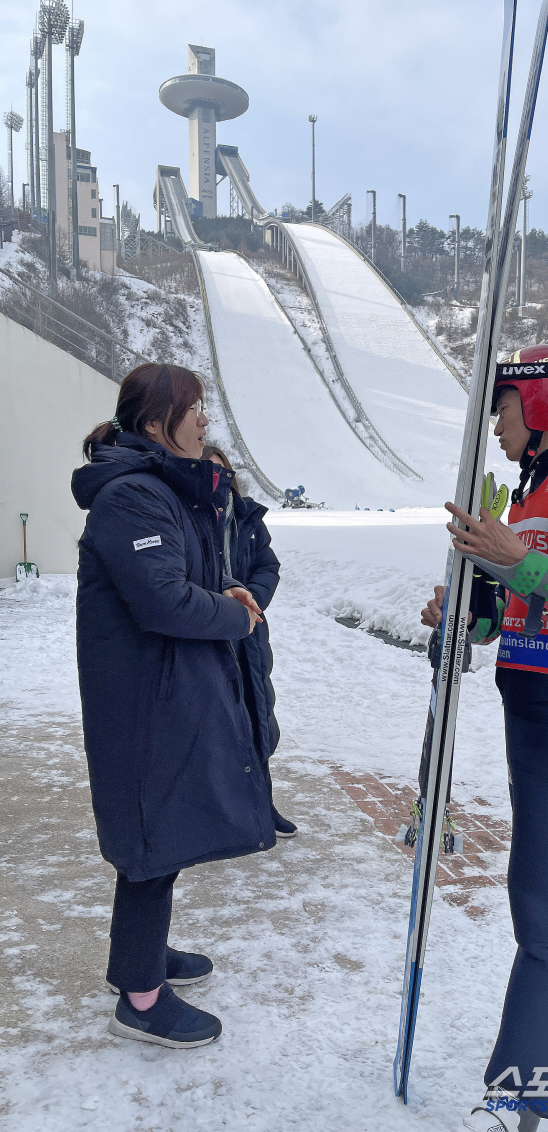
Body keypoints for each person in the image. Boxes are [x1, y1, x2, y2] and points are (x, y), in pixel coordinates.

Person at [420, 346, 548, 1131]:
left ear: (544, 407)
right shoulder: (524, 498)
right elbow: (500, 618)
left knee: (536, 896)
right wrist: (461, 610)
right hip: (531, 709)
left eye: (505, 409)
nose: (498, 426)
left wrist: (521, 563)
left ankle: (520, 1093)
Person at [72, 362, 276, 1049]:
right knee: (149, 841)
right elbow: (162, 599)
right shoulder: (130, 496)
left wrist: (231, 593)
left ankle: (139, 959)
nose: (204, 422)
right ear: (159, 422)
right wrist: (231, 614)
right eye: (194, 409)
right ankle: (140, 998)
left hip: (162, 693)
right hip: (140, 702)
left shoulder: (160, 490)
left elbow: (188, 578)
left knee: (160, 835)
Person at [202, 445, 297, 838]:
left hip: (249, 632)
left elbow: (268, 565)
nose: (216, 480)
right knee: (213, 719)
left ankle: (261, 802)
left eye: (222, 472)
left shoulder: (247, 518)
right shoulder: (187, 515)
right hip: (207, 631)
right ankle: (215, 810)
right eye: (207, 471)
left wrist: (250, 600)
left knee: (257, 713)